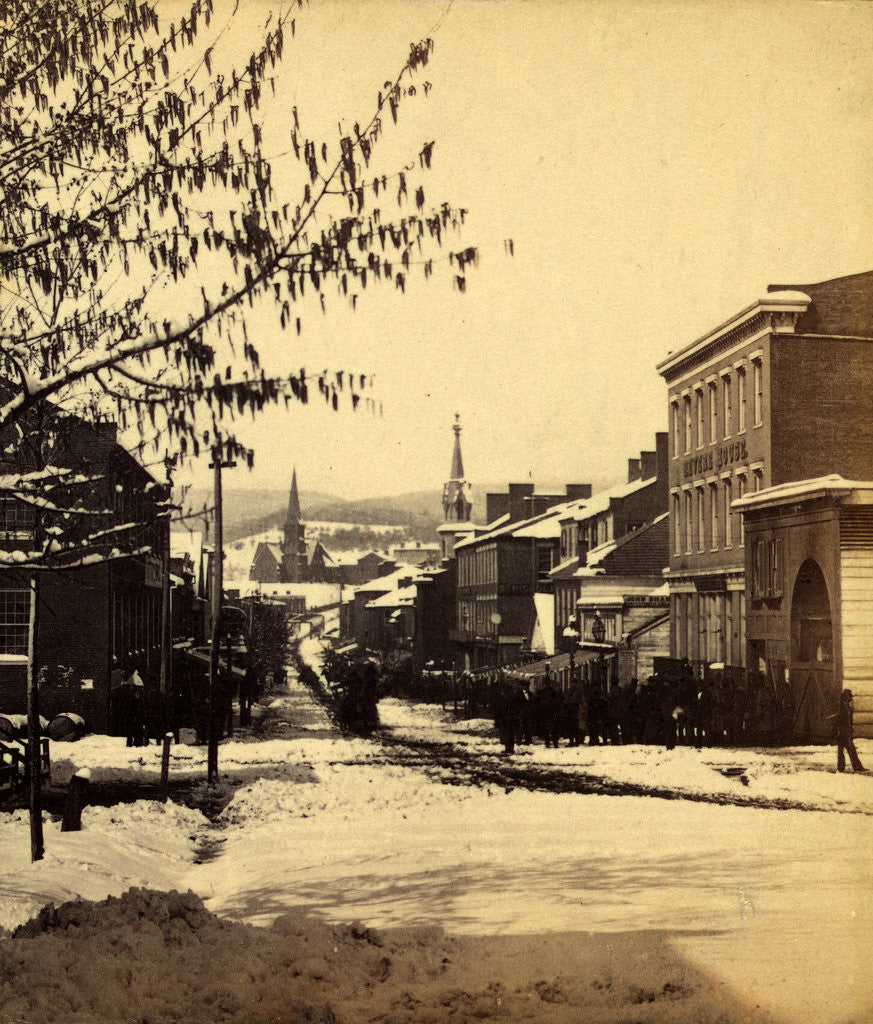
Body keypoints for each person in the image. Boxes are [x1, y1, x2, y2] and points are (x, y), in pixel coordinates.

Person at [835, 689, 865, 773]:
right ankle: (852, 767)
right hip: (842, 732)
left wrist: (849, 729)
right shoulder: (841, 707)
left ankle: (843, 767)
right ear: (845, 697)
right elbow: (839, 720)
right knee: (846, 750)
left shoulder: (847, 707)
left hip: (846, 732)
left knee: (845, 750)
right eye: (849, 697)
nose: (850, 699)